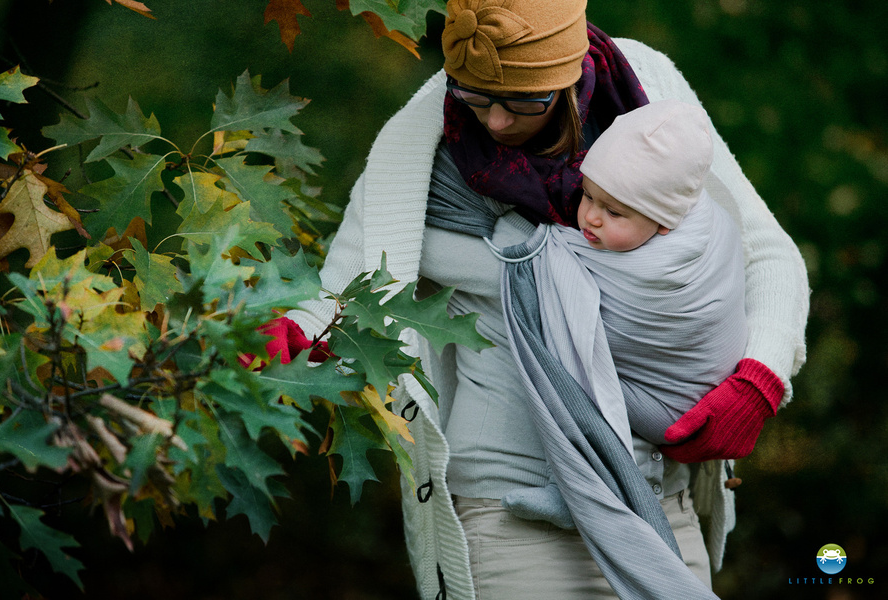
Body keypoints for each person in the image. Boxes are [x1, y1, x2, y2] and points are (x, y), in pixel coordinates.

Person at [288, 0, 809, 597]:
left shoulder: (648, 101)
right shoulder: (421, 142)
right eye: (474, 97)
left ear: (571, 73)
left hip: (657, 507)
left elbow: (764, 251)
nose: (496, 121)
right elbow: (348, 294)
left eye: (523, 102)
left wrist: (760, 380)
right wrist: (280, 338)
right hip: (510, 519)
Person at [499, 98, 746, 538]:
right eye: (588, 195)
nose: (590, 217)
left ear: (665, 223)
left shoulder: (672, 259)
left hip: (675, 408)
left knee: (572, 357)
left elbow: (548, 256)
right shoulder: (701, 217)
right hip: (689, 394)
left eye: (614, 212)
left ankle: (577, 491)